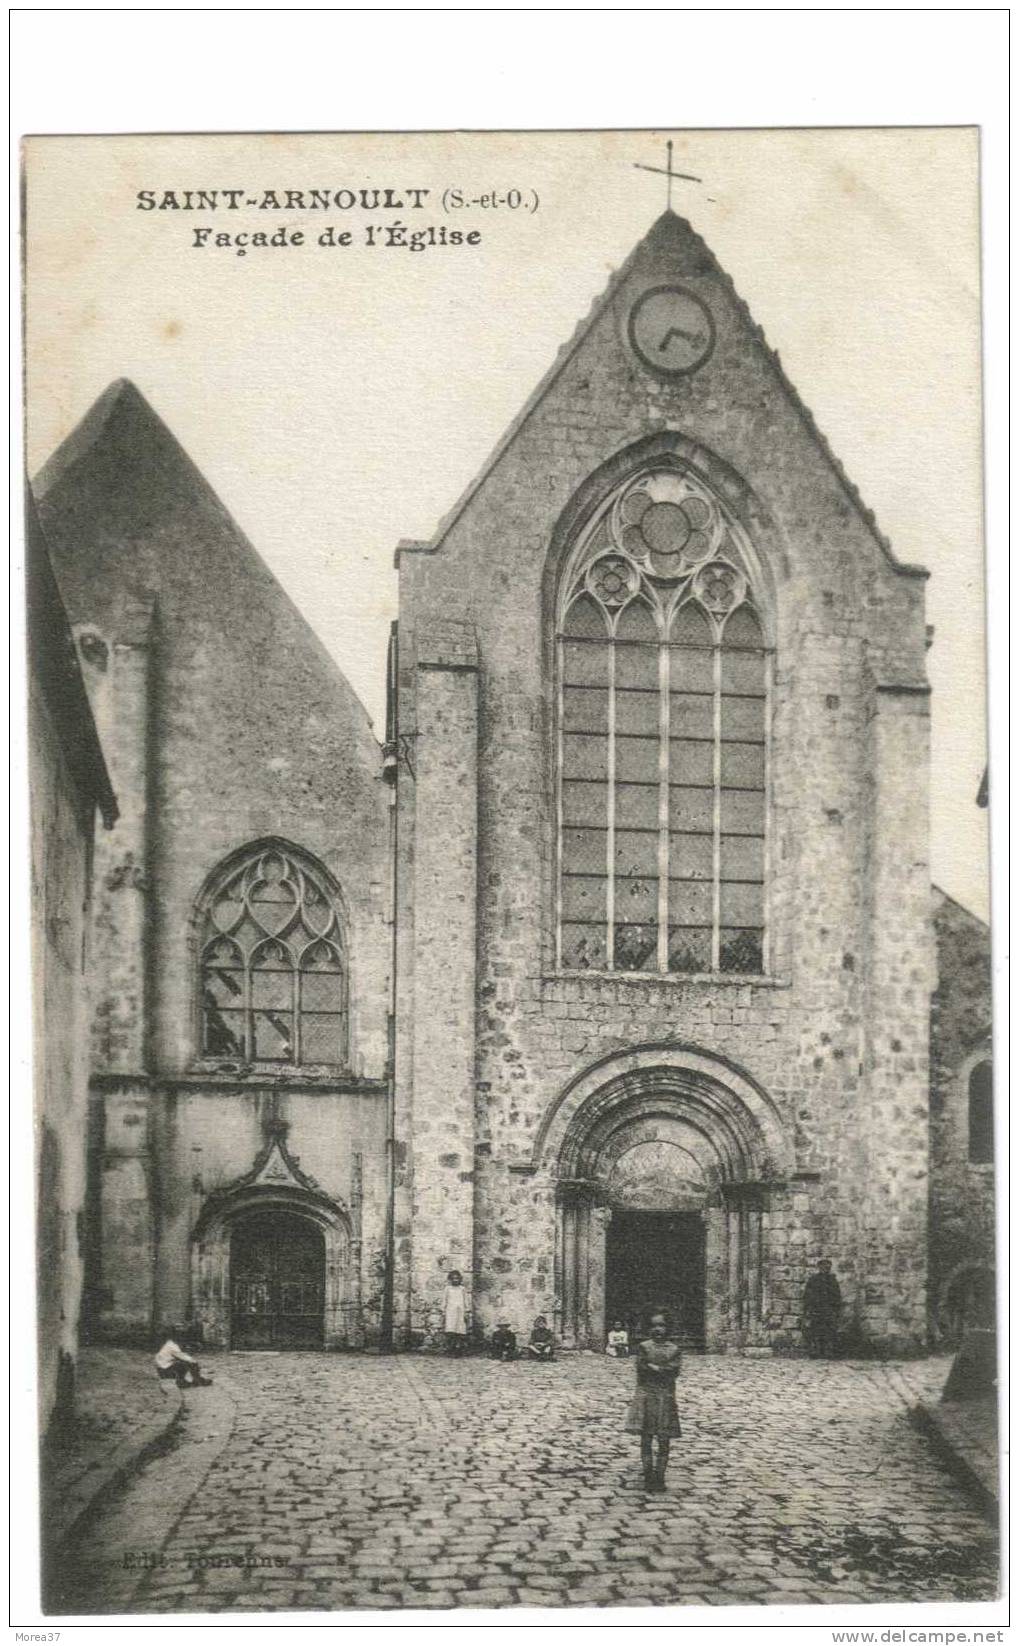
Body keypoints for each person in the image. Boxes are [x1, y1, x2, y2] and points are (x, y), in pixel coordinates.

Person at [625, 1312, 681, 1492]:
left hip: (666, 1397)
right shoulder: (644, 1347)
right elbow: (642, 1368)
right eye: (654, 1326)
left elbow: (673, 1371)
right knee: (646, 1437)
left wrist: (655, 1368)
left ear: (667, 1328)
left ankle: (660, 1477)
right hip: (647, 1397)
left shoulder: (674, 1349)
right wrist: (658, 1370)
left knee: (664, 1439)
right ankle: (648, 1475)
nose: (658, 1330)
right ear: (649, 1329)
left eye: (662, 1326)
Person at [802, 1258, 842, 1358]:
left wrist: (836, 1309)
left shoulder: (832, 1280)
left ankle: (828, 1352)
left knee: (829, 1331)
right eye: (823, 1267)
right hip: (816, 1309)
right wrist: (808, 1309)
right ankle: (815, 1351)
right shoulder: (813, 1280)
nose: (826, 1269)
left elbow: (837, 1295)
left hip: (829, 1310)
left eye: (828, 1267)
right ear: (819, 1267)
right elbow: (807, 1295)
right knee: (815, 1331)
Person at [443, 1269, 468, 1356]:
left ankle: (458, 1349)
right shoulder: (447, 1289)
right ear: (450, 1279)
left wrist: (467, 1311)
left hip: (460, 1311)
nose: (455, 1280)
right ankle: (451, 1349)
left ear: (460, 1279)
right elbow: (444, 1300)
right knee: (451, 1330)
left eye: (457, 1278)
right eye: (453, 1278)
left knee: (459, 1330)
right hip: (450, 1311)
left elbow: (466, 1300)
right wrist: (443, 1310)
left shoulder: (462, 1289)